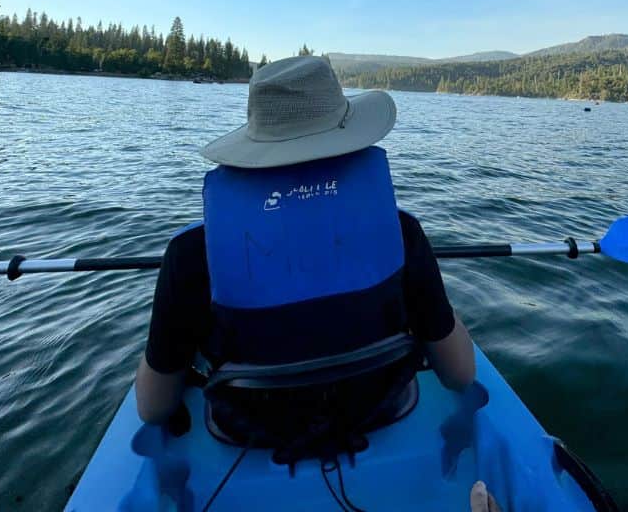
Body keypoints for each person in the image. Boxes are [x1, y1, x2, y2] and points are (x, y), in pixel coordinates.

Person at [135, 56, 476, 455]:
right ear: (350, 137)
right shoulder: (402, 233)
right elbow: (460, 374)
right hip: (378, 415)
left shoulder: (190, 254)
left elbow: (153, 408)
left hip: (247, 431)